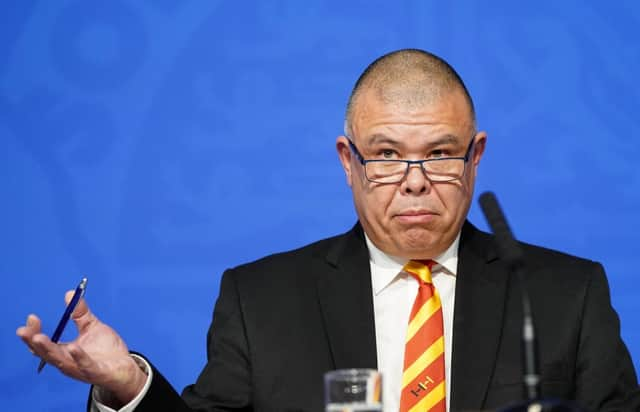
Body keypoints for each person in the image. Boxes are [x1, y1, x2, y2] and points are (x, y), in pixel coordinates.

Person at [17, 49, 638, 412]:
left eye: (441, 154)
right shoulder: (261, 299)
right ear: (349, 161)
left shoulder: (564, 294)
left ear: (476, 156)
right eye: (388, 154)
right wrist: (128, 384)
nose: (415, 181)